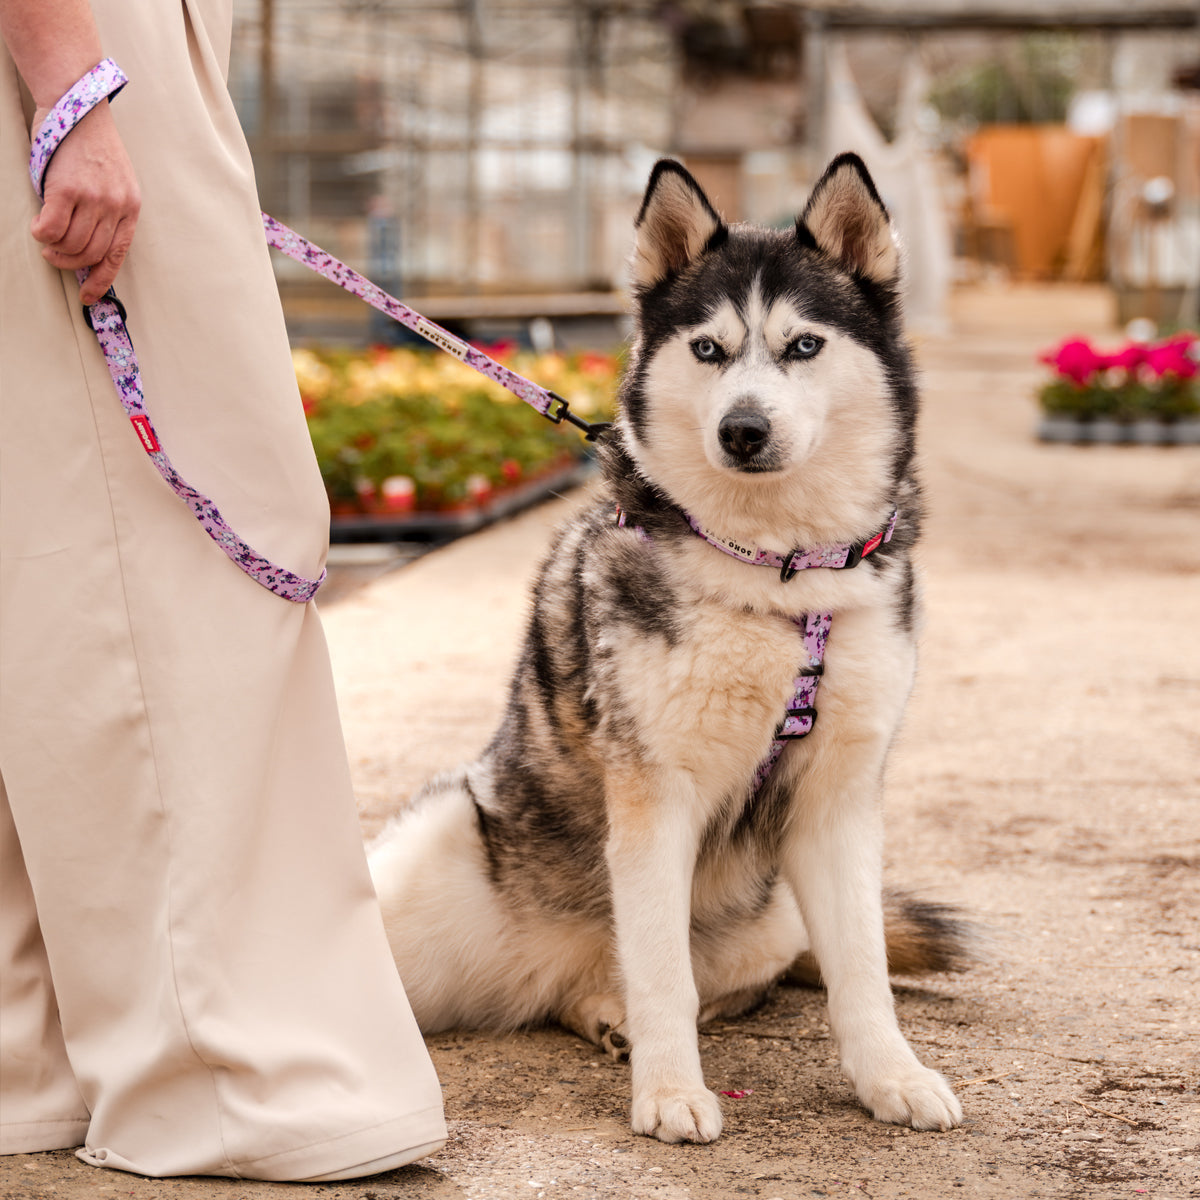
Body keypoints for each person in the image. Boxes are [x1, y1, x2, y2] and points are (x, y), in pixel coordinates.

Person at [0, 0, 446, 1181]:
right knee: (169, 528)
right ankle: (229, 1070)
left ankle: (32, 1055)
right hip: (79, 42)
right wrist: (73, 87)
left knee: (43, 524)